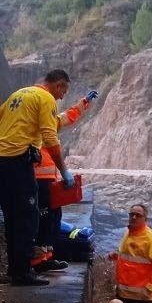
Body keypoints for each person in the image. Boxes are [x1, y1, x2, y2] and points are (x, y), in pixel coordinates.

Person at [0, 69, 75, 286]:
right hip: (18, 162)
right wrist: (63, 170)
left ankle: (15, 268)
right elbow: (50, 135)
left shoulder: (19, 93)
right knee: (28, 217)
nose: (62, 96)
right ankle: (23, 273)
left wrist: (13, 129)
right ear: (58, 85)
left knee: (11, 217)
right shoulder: (45, 98)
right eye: (63, 90)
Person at [34, 88, 98, 273]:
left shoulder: (50, 123)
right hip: (37, 180)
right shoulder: (32, 128)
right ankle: (38, 260)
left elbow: (68, 116)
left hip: (49, 180)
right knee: (43, 220)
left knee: (53, 219)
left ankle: (47, 256)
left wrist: (84, 102)